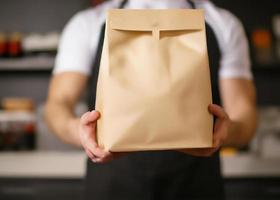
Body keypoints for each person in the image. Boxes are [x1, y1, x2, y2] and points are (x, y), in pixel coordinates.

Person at [44, 0, 258, 199]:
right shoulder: (87, 23)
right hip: (112, 187)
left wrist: (225, 131)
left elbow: (245, 116)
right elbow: (58, 103)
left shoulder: (223, 24)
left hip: (196, 186)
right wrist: (79, 132)